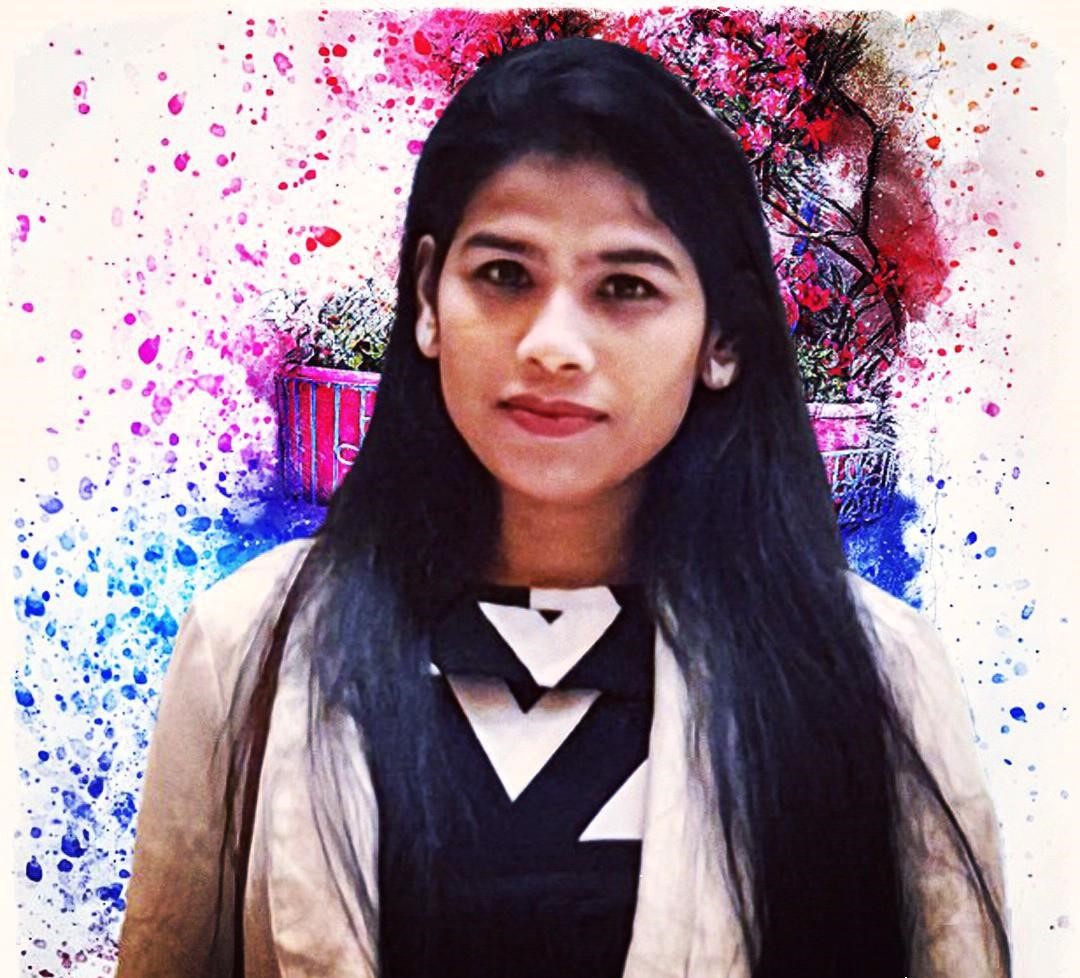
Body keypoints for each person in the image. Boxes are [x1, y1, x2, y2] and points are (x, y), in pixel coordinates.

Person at [116, 36, 1010, 978]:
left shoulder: (874, 673)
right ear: (427, 297)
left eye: (625, 287)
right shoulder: (248, 644)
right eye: (505, 275)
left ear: (724, 338)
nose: (553, 345)